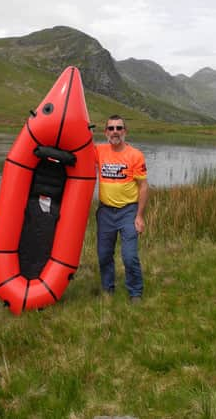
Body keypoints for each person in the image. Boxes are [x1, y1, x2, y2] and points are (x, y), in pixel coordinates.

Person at [95, 114, 148, 303]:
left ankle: (135, 293)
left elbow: (143, 186)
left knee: (129, 256)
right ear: (106, 132)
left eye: (119, 128)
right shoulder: (98, 151)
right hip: (105, 212)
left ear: (125, 131)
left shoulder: (135, 155)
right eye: (111, 128)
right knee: (103, 255)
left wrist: (139, 216)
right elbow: (77, 154)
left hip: (128, 212)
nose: (115, 132)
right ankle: (108, 289)